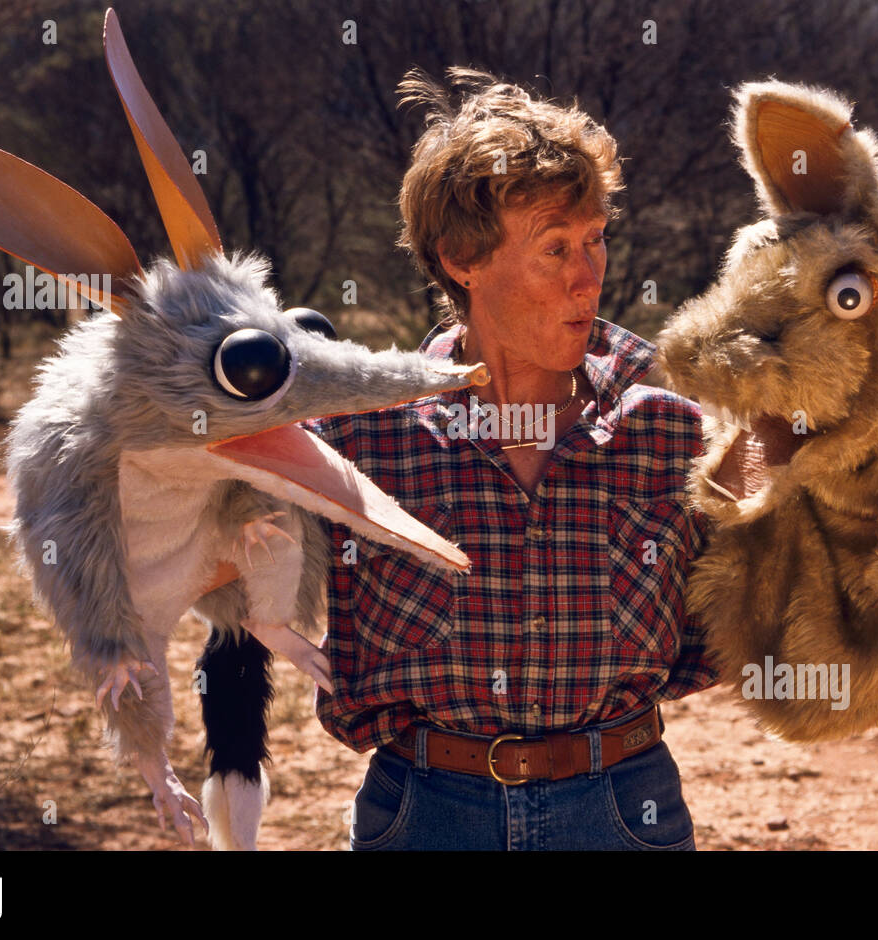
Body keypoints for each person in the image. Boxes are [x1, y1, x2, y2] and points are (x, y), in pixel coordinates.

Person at [302, 67, 720, 850]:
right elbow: (213, 572)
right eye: (554, 247)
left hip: (624, 810)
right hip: (425, 813)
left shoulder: (674, 437)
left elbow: (772, 611)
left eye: (595, 239)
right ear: (462, 257)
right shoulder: (360, 444)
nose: (588, 276)